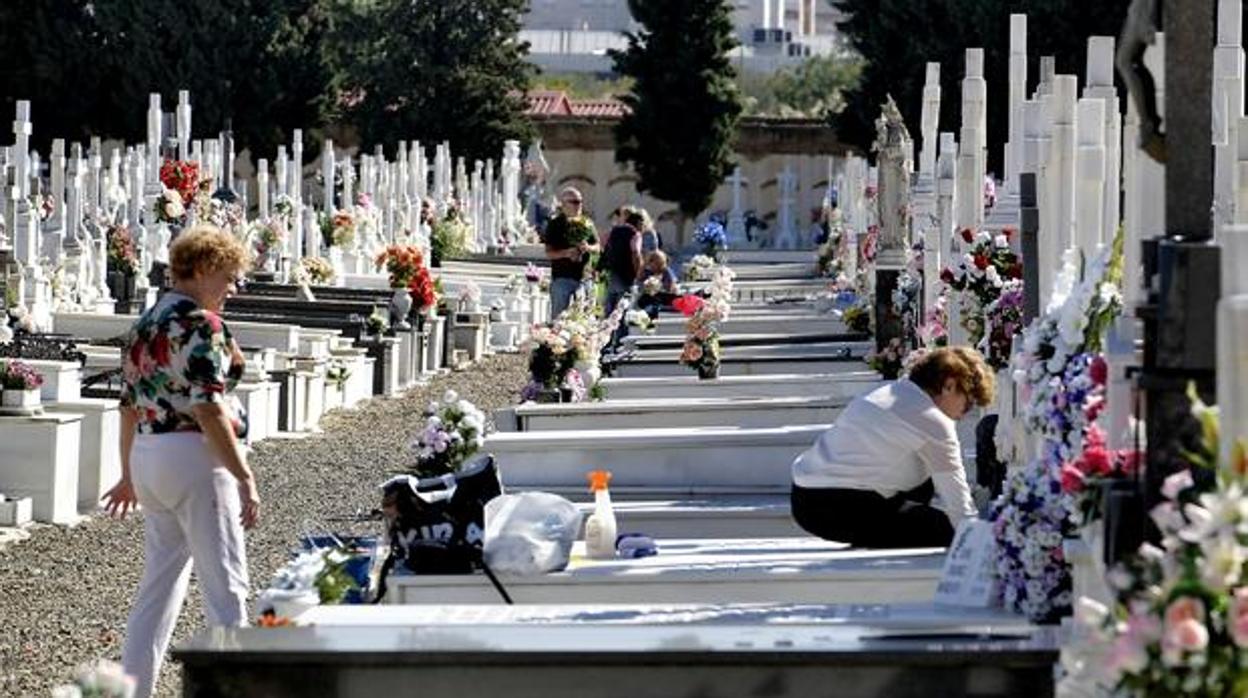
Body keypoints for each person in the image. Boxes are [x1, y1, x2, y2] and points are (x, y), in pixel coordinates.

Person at [102, 224, 259, 698]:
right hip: (195, 457)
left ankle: (133, 691)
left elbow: (128, 406)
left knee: (158, 590)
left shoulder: (145, 324)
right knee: (226, 586)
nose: (233, 289)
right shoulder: (201, 325)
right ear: (206, 268)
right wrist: (244, 476)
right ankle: (233, 690)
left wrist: (128, 473)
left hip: (149, 453)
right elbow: (208, 407)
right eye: (229, 277)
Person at [789, 347, 994, 549]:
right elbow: (958, 503)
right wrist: (978, 540)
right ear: (949, 385)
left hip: (803, 497)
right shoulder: (932, 421)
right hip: (842, 508)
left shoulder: (887, 391)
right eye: (967, 403)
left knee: (926, 470)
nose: (963, 414)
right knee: (948, 531)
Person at [543, 186, 599, 318]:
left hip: (585, 278)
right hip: (562, 278)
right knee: (559, 318)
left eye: (580, 201)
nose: (578, 205)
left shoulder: (587, 223)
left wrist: (588, 247)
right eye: (574, 202)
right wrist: (567, 253)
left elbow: (598, 246)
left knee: (585, 319)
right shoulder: (555, 224)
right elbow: (549, 253)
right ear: (563, 204)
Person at [601, 209, 645, 318]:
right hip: (625, 275)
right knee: (623, 311)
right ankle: (621, 334)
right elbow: (636, 253)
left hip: (610, 274)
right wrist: (638, 272)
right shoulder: (635, 234)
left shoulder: (613, 231)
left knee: (609, 311)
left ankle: (609, 334)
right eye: (642, 225)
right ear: (638, 223)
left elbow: (602, 245)